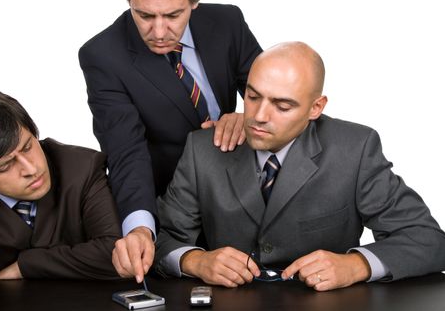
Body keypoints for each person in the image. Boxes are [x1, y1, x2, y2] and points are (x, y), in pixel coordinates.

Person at [154, 42, 445, 291]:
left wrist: (355, 265)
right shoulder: (203, 149)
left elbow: (428, 239)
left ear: (316, 108)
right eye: (253, 97)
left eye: (282, 106)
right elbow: (158, 238)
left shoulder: (355, 150)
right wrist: (195, 261)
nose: (259, 116)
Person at [78, 0, 262, 283]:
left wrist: (248, 116)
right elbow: (125, 151)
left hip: (248, 187)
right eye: (145, 15)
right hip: (176, 211)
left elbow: (270, 92)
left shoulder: (228, 21)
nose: (159, 32)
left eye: (173, 16)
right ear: (129, 1)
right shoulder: (102, 56)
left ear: (194, 1)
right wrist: (139, 228)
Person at [0, 87, 121, 308]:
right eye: (5, 165)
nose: (31, 168)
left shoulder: (83, 167)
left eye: (27, 147)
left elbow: (117, 252)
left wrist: (25, 266)